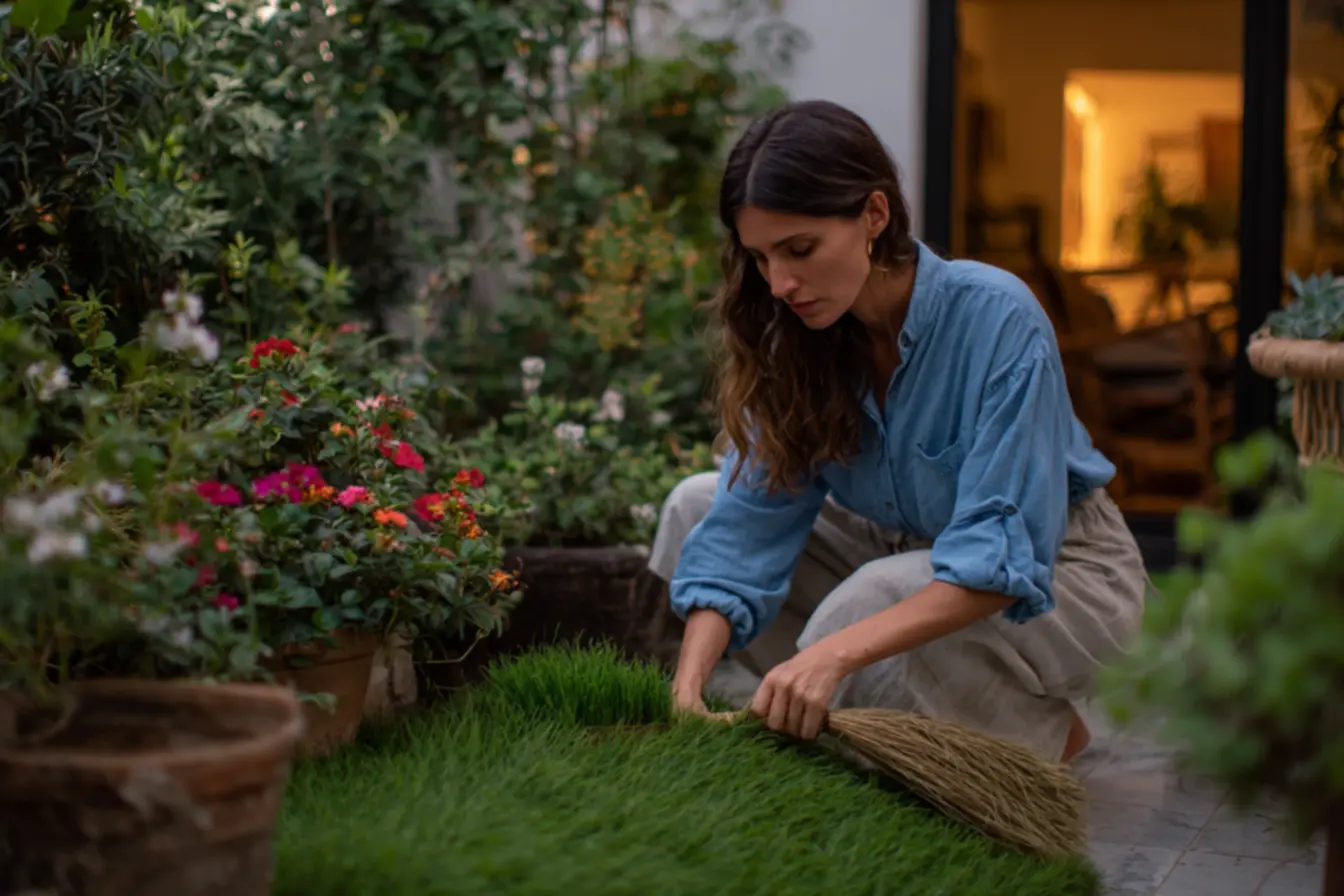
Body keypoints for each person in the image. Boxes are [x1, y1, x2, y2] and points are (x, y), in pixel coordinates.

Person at [647, 100, 1148, 763]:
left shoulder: (995, 316)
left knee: (868, 603)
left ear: (874, 216)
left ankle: (1030, 734)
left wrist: (832, 654)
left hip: (1061, 570)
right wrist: (687, 692)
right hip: (907, 554)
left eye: (800, 250)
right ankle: (975, 716)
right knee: (696, 506)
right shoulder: (799, 335)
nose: (781, 283)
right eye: (761, 257)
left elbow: (999, 555)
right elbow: (746, 528)